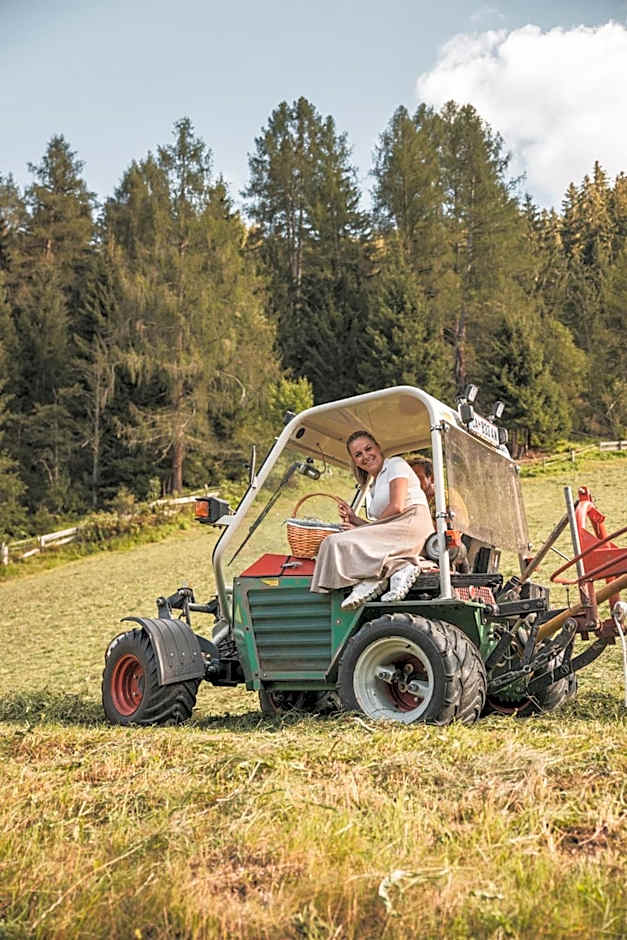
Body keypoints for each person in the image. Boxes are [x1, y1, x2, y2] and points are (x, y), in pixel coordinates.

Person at [310, 430, 435, 609]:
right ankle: (386, 572)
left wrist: (360, 530)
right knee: (339, 541)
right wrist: (354, 519)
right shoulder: (374, 485)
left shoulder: (395, 464)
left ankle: (379, 576)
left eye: (368, 449)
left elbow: (397, 507)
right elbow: (383, 525)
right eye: (358, 454)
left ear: (378, 447)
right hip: (396, 530)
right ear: (355, 461)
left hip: (411, 524)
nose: (365, 456)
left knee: (334, 543)